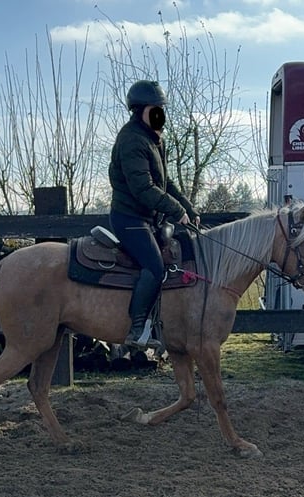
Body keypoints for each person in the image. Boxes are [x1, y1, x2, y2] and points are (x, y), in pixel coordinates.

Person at [109, 79, 201, 350]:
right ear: (140, 111)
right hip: (129, 220)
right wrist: (174, 210)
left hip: (148, 220)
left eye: (163, 109)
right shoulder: (131, 140)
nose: (162, 114)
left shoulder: (153, 141)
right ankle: (136, 329)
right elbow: (143, 188)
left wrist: (187, 207)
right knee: (155, 266)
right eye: (157, 109)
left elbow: (164, 184)